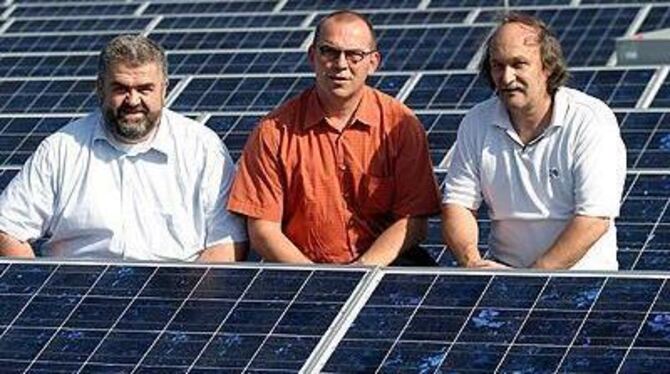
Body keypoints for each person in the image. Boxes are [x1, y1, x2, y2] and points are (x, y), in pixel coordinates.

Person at [0, 34, 247, 262]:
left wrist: (193, 306)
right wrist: (37, 289)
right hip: (75, 297)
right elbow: (6, 228)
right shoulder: (61, 149)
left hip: (176, 296)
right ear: (100, 88)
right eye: (120, 88)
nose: (133, 101)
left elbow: (226, 242)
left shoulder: (201, 148)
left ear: (164, 89)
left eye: (144, 89)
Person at [227, 10, 441, 266]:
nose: (341, 64)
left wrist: (361, 271)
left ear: (373, 62)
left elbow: (413, 221)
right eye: (329, 51)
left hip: (385, 266)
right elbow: (263, 231)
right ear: (312, 57)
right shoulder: (273, 132)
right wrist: (318, 279)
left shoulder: (400, 125)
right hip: (299, 268)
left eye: (354, 55)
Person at [441, 12, 626, 270]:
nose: (506, 78)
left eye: (519, 64)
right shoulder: (477, 121)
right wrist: (473, 263)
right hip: (502, 277)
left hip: (581, 285)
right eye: (497, 65)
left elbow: (593, 219)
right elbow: (458, 204)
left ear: (547, 67)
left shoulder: (590, 120)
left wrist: (531, 279)